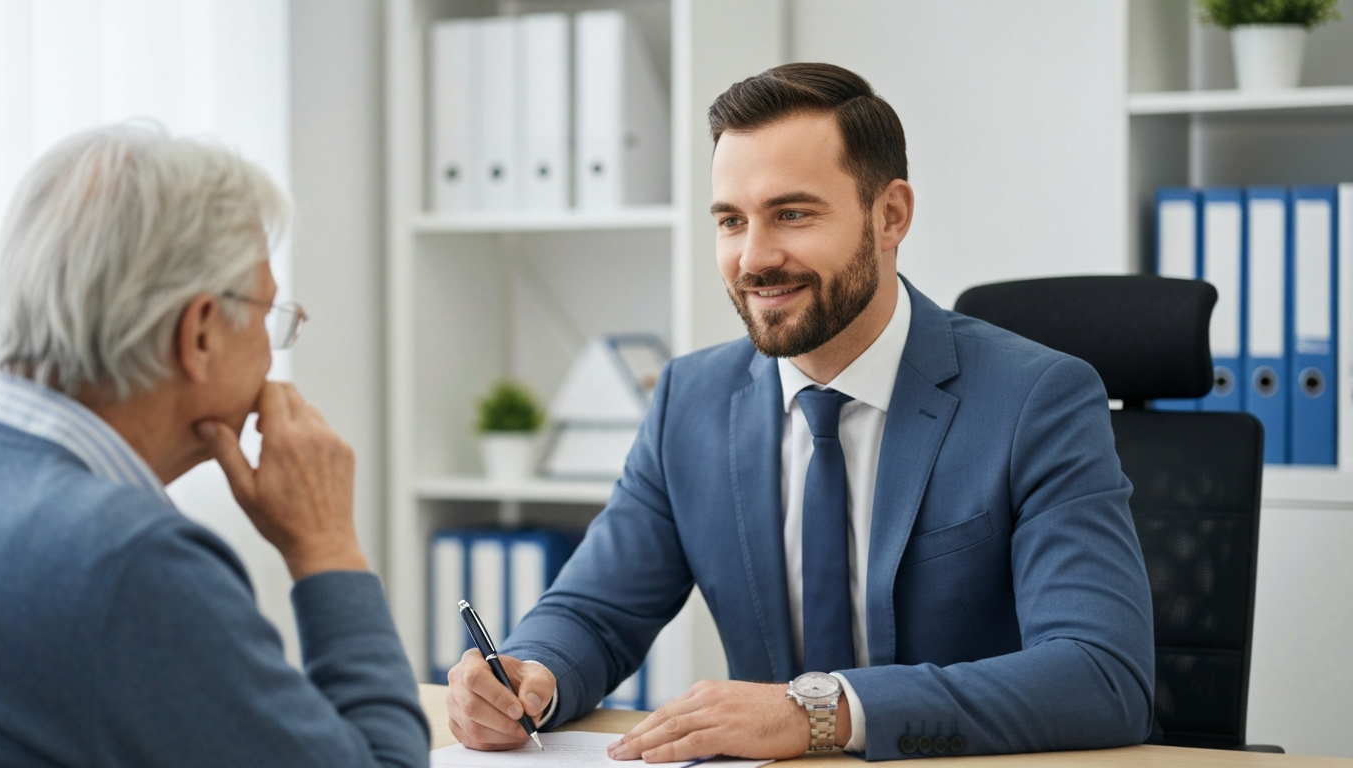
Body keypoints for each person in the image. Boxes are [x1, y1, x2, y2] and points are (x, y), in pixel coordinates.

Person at [445, 63, 1154, 762]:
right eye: (731, 220)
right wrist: (531, 673)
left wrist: (821, 712)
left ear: (891, 215)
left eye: (792, 213)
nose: (754, 258)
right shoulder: (689, 401)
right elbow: (595, 612)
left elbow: (1101, 675)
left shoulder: (1037, 400)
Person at [0, 125, 429, 767]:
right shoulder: (132, 564)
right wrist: (327, 544)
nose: (270, 353)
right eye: (269, 317)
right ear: (199, 332)